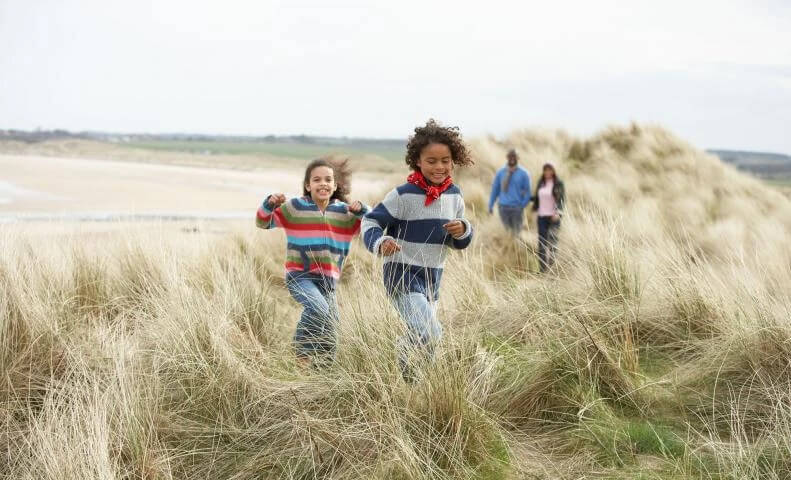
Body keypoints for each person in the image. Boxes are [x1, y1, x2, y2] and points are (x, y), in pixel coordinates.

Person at [362, 119, 474, 381]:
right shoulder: (403, 195)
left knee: (424, 339)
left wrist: (463, 230)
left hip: (432, 279)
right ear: (418, 161)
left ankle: (415, 389)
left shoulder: (455, 196)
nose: (439, 166)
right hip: (401, 275)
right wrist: (380, 243)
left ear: (453, 160)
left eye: (445, 160)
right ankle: (409, 374)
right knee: (431, 333)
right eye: (431, 161)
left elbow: (458, 241)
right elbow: (370, 221)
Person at [256, 158, 369, 367]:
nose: (323, 183)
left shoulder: (345, 213)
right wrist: (269, 203)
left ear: (335, 186)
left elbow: (373, 223)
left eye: (328, 180)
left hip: (329, 281)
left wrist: (362, 209)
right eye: (317, 180)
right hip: (300, 276)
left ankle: (322, 373)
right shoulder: (295, 208)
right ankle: (302, 353)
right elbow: (262, 222)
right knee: (318, 309)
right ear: (308, 185)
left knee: (331, 331)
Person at [488, 149, 532, 235]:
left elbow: (528, 192)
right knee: (507, 233)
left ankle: (516, 248)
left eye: (514, 156)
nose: (512, 158)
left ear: (518, 158)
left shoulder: (524, 173)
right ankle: (509, 248)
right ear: (507, 157)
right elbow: (495, 189)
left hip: (517, 208)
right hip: (503, 208)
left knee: (517, 233)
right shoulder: (500, 172)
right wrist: (491, 205)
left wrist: (522, 205)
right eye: (510, 156)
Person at [532, 162, 565, 272]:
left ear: (553, 171)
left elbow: (562, 200)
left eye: (549, 170)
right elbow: (537, 197)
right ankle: (542, 270)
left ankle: (552, 270)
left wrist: (558, 213)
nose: (547, 172)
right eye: (545, 170)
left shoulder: (558, 183)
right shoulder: (541, 183)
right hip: (541, 217)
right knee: (542, 244)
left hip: (553, 218)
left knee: (553, 245)